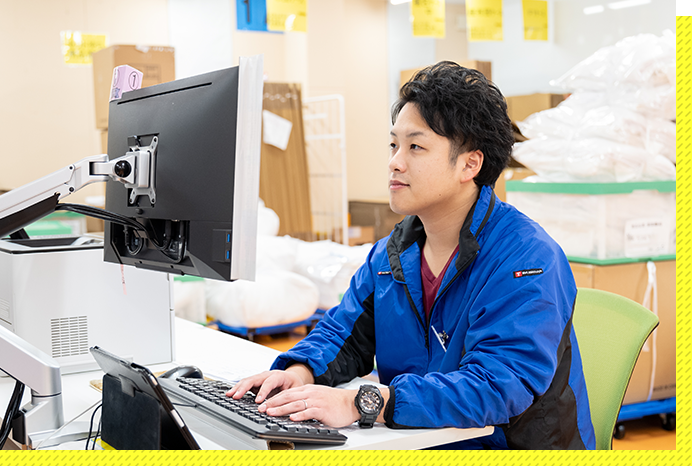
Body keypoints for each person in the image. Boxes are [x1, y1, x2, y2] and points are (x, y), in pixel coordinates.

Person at [227, 61, 596, 450]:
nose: (395, 162)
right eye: (394, 144)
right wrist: (301, 371)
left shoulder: (525, 258)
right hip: (420, 441)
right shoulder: (395, 251)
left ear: (470, 163)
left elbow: (496, 386)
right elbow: (346, 333)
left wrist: (365, 402)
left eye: (415, 147)